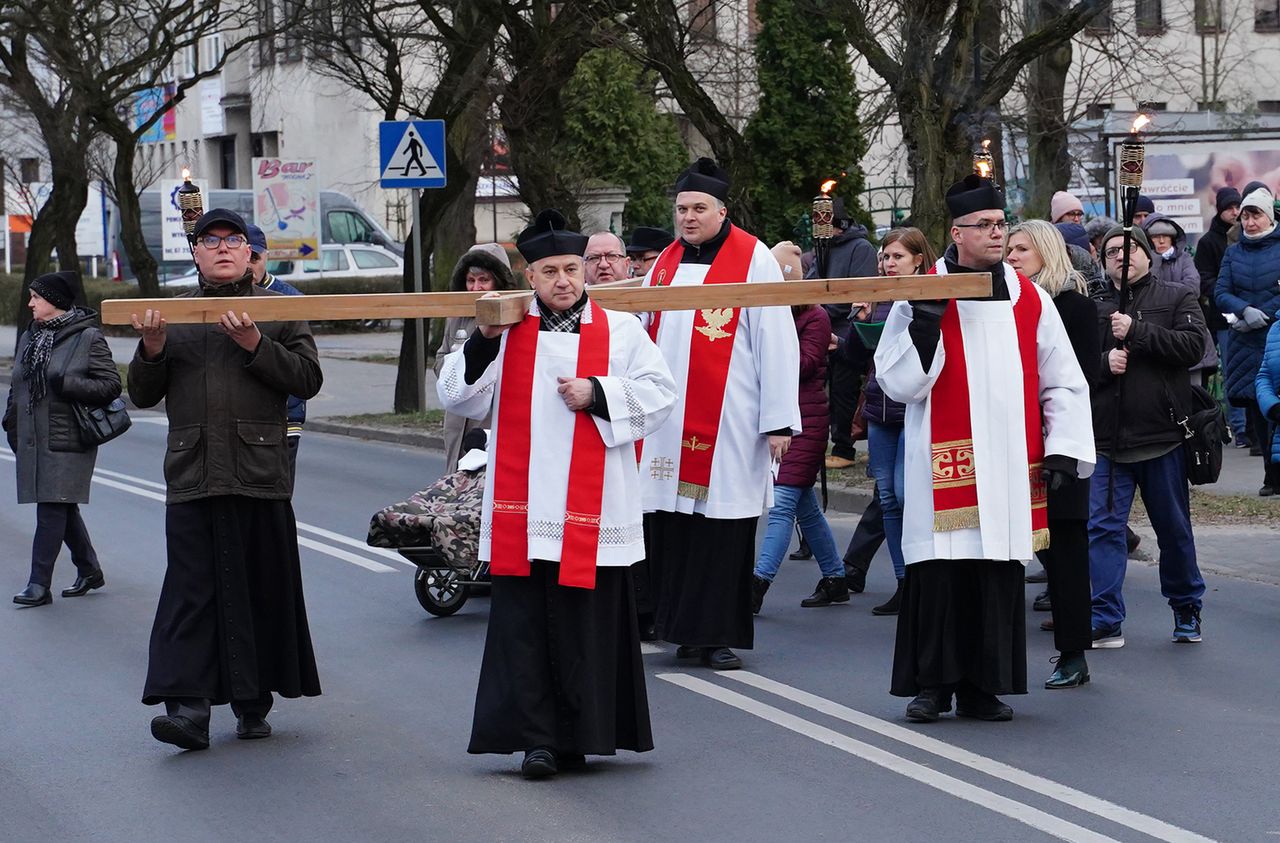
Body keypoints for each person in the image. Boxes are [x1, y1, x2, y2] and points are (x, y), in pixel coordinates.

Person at [437, 209, 676, 779]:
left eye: (572, 268)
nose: (563, 281)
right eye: (549, 272)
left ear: (585, 271)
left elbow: (661, 394)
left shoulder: (618, 330)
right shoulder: (506, 327)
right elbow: (457, 397)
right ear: (531, 277)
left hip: (595, 508)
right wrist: (480, 345)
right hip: (524, 507)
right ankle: (536, 740)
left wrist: (599, 392)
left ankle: (586, 733)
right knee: (526, 628)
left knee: (584, 626)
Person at [875, 174, 1094, 723]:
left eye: (1002, 225)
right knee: (941, 570)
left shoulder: (1029, 297)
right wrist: (924, 327)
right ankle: (933, 685)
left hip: (1009, 459)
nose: (998, 235)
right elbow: (895, 382)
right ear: (957, 232)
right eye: (986, 226)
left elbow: (1062, 379)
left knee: (996, 569)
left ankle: (983, 685)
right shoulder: (921, 290)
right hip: (943, 457)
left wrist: (1064, 448)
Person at [128, 208, 324, 751]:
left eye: (232, 240)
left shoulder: (280, 311)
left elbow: (307, 379)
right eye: (209, 241)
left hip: (259, 472)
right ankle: (187, 710)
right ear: (194, 252)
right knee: (191, 593)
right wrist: (150, 350)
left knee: (258, 587)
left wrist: (256, 346)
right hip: (192, 473)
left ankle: (252, 702)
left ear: (249, 252)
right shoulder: (172, 313)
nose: (221, 248)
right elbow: (142, 393)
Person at [638, 158, 801, 671]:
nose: (688, 217)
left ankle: (717, 634)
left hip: (732, 417)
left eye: (698, 208)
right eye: (682, 208)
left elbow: (777, 341)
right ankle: (680, 629)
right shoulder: (663, 262)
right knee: (673, 526)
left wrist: (778, 419)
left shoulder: (753, 258)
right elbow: (640, 327)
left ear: (721, 210)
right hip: (668, 421)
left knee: (723, 527)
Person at [1090, 225, 1207, 648]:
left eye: (1130, 248)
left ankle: (1186, 606)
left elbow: (1194, 348)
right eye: (1112, 253)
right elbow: (1074, 365)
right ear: (1103, 262)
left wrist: (1136, 331)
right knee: (1102, 530)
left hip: (1163, 437)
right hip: (1107, 441)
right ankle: (1104, 617)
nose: (1122, 257)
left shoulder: (1176, 296)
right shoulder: (1093, 305)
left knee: (1173, 529)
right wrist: (1105, 362)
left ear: (1146, 253)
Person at [1004, 221, 1099, 688]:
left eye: (1022, 248)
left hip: (1057, 445)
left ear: (1046, 251)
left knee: (1064, 551)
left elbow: (1077, 379)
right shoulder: (1004, 305)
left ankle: (1073, 653)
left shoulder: (1074, 307)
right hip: (1009, 444)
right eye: (1008, 248)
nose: (1013, 255)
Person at [4, 271, 121, 607]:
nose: (30, 303)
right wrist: (10, 420)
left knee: (51, 506)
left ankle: (38, 584)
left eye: (36, 297)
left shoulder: (87, 338)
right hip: (31, 435)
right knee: (61, 504)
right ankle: (89, 569)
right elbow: (19, 383)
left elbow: (110, 386)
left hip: (69, 435)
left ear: (54, 301)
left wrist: (68, 383)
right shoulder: (31, 335)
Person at [839, 227, 937, 616]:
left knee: (903, 491)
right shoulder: (876, 296)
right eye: (885, 257)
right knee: (890, 499)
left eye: (897, 256)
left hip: (914, 408)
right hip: (880, 410)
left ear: (918, 259)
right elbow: (850, 357)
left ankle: (921, 576)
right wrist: (859, 319)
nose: (888, 263)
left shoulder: (930, 295)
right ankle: (903, 582)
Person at [751, 242, 846, 612]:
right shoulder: (765, 312)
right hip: (779, 417)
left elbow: (805, 364)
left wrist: (769, 346)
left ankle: (757, 584)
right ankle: (836, 578)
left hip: (805, 421)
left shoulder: (815, 317)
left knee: (782, 504)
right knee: (805, 506)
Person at [1216, 187, 1280, 495]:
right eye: (1245, 216)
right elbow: (1221, 292)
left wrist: (1266, 314)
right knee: (1258, 409)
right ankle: (1270, 476)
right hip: (1245, 339)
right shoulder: (1233, 252)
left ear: (1268, 217)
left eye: (1256, 215)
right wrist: (1243, 310)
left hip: (1275, 337)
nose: (1250, 222)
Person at [433, 244, 519, 472]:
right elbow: (441, 357)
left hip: (490, 417)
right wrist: (456, 370)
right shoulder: (456, 316)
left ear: (499, 282)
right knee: (454, 483)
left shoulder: (513, 318)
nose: (475, 287)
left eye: (484, 280)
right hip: (456, 419)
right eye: (471, 280)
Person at [807, 197, 878, 471]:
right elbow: (812, 285)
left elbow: (857, 292)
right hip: (822, 329)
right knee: (822, 392)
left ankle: (844, 447)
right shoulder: (821, 249)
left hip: (847, 331)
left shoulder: (860, 248)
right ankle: (821, 443)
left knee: (845, 391)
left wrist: (826, 312)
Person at [246, 224, 308, 483]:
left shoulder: (289, 298)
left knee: (277, 499)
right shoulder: (221, 297)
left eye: (255, 258)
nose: (250, 266)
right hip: (243, 419)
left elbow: (304, 365)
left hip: (284, 419)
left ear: (266, 257)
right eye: (245, 258)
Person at [1195, 188, 1247, 443]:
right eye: (1229, 207)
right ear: (1220, 209)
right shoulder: (1208, 242)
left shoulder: (1245, 237)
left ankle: (1247, 428)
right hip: (1220, 318)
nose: (1235, 212)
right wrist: (1227, 294)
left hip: (1247, 314)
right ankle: (1238, 428)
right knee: (1230, 372)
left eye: (1238, 207)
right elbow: (1203, 279)